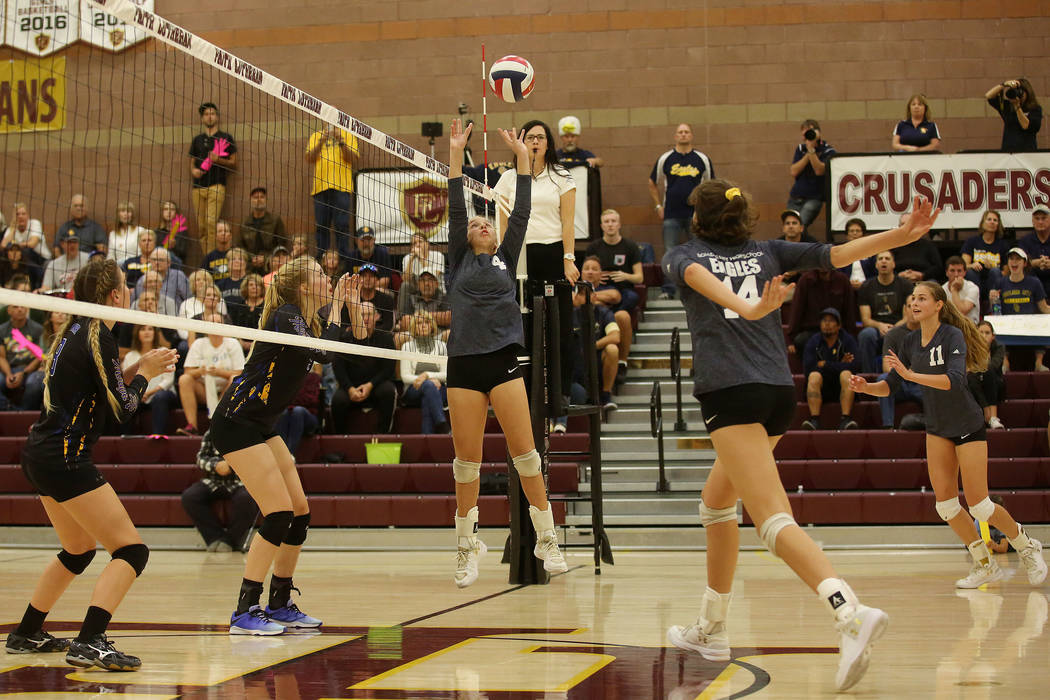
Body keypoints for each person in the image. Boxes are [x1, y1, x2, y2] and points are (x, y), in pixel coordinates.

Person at [662, 180, 943, 692]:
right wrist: (899, 234)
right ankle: (712, 627)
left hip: (731, 392)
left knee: (771, 519)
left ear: (695, 218)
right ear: (744, 215)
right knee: (716, 504)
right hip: (775, 392)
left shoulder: (683, 252)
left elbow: (698, 275)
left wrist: (744, 308)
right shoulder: (768, 251)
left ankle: (848, 611)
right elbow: (834, 253)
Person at [9, 258, 177, 669]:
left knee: (79, 548)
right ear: (115, 295)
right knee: (132, 551)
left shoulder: (77, 327)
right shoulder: (98, 332)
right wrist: (147, 375)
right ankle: (90, 640)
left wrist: (137, 367)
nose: (131, 292)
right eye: (126, 286)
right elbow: (122, 409)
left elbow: (101, 386)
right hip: (65, 457)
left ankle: (27, 631)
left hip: (42, 452)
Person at [850, 281, 1047, 588]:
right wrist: (867, 388)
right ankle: (984, 564)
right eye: (912, 298)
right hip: (938, 427)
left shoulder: (952, 335)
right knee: (946, 506)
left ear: (938, 304)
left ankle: (1026, 545)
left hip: (967, 423)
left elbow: (954, 380)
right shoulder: (908, 341)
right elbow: (891, 384)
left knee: (980, 504)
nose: (914, 303)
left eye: (922, 298)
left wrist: (911, 374)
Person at [446, 119, 568, 587]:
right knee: (466, 463)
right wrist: (457, 151)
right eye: (474, 223)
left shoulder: (505, 253)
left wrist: (521, 156)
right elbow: (458, 203)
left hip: (502, 360)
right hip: (463, 365)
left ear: (496, 238)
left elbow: (517, 212)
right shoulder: (459, 258)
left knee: (527, 455)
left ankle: (546, 536)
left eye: (485, 223)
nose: (479, 224)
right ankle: (465, 544)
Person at [209, 256, 347, 634]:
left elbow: (336, 344)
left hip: (262, 423)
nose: (327, 277)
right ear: (304, 287)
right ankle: (244, 610)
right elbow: (326, 355)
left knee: (299, 512)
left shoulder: (306, 320)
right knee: (279, 512)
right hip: (236, 422)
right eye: (320, 274)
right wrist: (338, 309)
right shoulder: (287, 314)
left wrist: (344, 315)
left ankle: (280, 602)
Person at [495, 119, 579, 402]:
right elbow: (503, 224)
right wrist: (503, 261)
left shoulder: (562, 176)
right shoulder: (507, 179)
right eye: (530, 137)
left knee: (560, 325)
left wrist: (569, 258)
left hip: (553, 253)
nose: (535, 142)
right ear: (521, 142)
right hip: (520, 256)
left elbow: (568, 222)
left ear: (548, 143)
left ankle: (561, 393)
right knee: (523, 324)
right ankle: (524, 393)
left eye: (540, 137)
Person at [648, 123, 715, 299]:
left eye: (686, 132)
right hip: (671, 213)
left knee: (699, 251)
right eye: (680, 132)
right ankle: (668, 290)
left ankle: (701, 289)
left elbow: (711, 186)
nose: (683, 135)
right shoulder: (666, 158)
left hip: (696, 215)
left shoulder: (702, 159)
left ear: (691, 136)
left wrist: (703, 210)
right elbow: (652, 182)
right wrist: (658, 206)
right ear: (675, 136)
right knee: (671, 252)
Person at [181, 430, 259, 552]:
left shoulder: (248, 432)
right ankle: (214, 537)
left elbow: (256, 458)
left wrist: (233, 465)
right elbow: (201, 458)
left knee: (247, 499)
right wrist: (215, 465)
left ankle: (229, 540)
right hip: (212, 480)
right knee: (190, 496)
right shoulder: (210, 433)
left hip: (240, 481)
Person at [330, 299, 396, 434]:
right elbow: (338, 368)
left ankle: (383, 435)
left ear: (376, 317)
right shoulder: (344, 338)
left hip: (376, 386)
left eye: (369, 315)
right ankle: (341, 438)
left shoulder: (386, 338)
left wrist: (370, 385)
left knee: (388, 391)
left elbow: (388, 369)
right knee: (338, 400)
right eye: (361, 315)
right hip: (351, 387)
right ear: (355, 317)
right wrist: (349, 389)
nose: (365, 319)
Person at [177, 314, 245, 436]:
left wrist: (219, 373)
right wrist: (200, 371)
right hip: (205, 392)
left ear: (224, 325)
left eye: (219, 322)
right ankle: (192, 427)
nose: (215, 325)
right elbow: (188, 372)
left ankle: (222, 424)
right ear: (205, 326)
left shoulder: (233, 343)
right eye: (212, 322)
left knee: (235, 379)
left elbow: (240, 374)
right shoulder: (199, 344)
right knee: (184, 379)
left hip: (226, 392)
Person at [189, 102, 238, 258]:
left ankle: (211, 258)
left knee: (211, 223)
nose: (209, 116)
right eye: (206, 114)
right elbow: (192, 162)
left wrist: (218, 160)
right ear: (202, 118)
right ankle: (208, 258)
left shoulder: (226, 137)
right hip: (198, 187)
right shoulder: (197, 140)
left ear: (217, 116)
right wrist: (194, 171)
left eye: (212, 113)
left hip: (217, 185)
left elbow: (233, 162)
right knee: (202, 226)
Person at [990, 247, 1050, 371]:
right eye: (1011, 259)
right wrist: (993, 299)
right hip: (1008, 323)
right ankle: (1005, 362)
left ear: (1025, 263)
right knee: (997, 326)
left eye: (1018, 259)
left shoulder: (1034, 282)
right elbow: (995, 310)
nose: (1014, 262)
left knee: (1043, 321)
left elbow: (1043, 307)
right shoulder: (1000, 282)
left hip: (1029, 324)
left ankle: (1038, 362)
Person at [801, 308, 860, 430]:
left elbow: (855, 366)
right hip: (822, 388)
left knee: (846, 374)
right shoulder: (814, 341)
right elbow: (808, 368)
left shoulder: (847, 340)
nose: (827, 324)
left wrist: (826, 364)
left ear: (839, 326)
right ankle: (814, 420)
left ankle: (846, 419)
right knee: (814, 376)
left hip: (841, 387)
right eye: (824, 321)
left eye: (831, 321)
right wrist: (840, 364)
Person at [857, 250, 913, 373]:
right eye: (880, 258)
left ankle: (904, 377)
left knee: (907, 333)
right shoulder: (866, 287)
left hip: (899, 326)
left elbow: (909, 316)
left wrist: (895, 328)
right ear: (876, 265)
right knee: (866, 335)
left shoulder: (906, 285)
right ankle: (868, 376)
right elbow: (865, 319)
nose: (883, 261)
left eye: (887, 259)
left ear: (893, 264)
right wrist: (879, 325)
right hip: (876, 329)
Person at [307, 125, 358, 258]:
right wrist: (321, 141)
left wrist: (340, 140)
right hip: (320, 188)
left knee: (342, 225)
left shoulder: (347, 135)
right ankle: (321, 258)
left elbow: (352, 158)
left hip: (342, 187)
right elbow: (309, 158)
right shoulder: (316, 136)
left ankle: (343, 258)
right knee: (321, 226)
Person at [876, 295, 924, 429]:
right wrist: (906, 373)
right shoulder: (893, 334)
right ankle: (888, 427)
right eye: (910, 306)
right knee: (884, 379)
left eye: (918, 306)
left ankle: (935, 427)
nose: (914, 309)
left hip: (923, 383)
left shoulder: (932, 333)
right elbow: (886, 366)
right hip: (900, 383)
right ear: (905, 309)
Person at [786, 267, 857, 356]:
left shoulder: (843, 280)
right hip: (811, 330)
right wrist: (790, 339)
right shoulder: (805, 280)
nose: (823, 265)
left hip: (836, 330)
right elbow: (796, 311)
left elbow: (849, 312)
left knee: (847, 341)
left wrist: (851, 336)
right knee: (801, 341)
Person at [399, 311, 449, 435]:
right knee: (428, 386)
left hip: (439, 389)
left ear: (432, 326)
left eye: (426, 322)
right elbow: (405, 377)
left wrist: (427, 375)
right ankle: (442, 424)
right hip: (413, 390)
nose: (423, 325)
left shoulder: (441, 346)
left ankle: (428, 438)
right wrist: (427, 379)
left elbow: (447, 374)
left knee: (428, 397)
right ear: (414, 328)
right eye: (419, 323)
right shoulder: (407, 346)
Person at [122, 325, 176, 436]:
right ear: (137, 334)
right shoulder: (130, 356)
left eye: (150, 329)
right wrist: (139, 393)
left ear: (155, 333)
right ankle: (126, 436)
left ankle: (158, 435)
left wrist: (146, 393)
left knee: (160, 397)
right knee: (126, 399)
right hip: (139, 394)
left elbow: (168, 381)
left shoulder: (163, 352)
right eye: (142, 329)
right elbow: (126, 381)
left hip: (161, 394)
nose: (147, 332)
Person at [787, 119, 836, 232]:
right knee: (790, 227)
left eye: (810, 132)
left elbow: (819, 170)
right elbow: (794, 171)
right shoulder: (800, 149)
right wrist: (809, 152)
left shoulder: (828, 150)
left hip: (814, 198)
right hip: (796, 196)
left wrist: (811, 150)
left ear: (818, 133)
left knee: (799, 227)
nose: (807, 136)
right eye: (805, 133)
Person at [0, 298, 45, 410]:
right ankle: (8, 408)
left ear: (27, 309)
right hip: (7, 368)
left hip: (30, 369)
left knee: (33, 383)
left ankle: (24, 413)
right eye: (15, 307)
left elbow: (39, 356)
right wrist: (9, 374)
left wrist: (23, 373)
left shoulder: (37, 329)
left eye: (23, 306)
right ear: (8, 310)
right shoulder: (1, 330)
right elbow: (1, 357)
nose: (20, 310)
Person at [273, 364, 322, 456]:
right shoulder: (285, 377)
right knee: (283, 413)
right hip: (288, 414)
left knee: (298, 411)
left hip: (309, 417)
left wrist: (291, 401)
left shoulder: (313, 377)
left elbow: (310, 400)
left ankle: (290, 454)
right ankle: (281, 454)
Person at [984, 78, 1042, 152]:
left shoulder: (1035, 109)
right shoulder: (1008, 106)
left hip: (1028, 153)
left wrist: (1017, 107)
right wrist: (1004, 84)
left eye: (1020, 92)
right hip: (1008, 153)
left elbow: (1025, 125)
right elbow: (988, 96)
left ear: (1027, 93)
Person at [238, 187, 287, 274]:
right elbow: (240, 247)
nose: (259, 200)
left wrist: (266, 258)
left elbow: (282, 244)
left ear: (266, 199)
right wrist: (251, 258)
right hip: (250, 265)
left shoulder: (275, 220)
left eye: (262, 197)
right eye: (256, 197)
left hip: (271, 264)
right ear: (251, 200)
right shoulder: (245, 223)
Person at [961, 210, 1008, 299]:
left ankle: (993, 307)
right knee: (970, 272)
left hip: (993, 280)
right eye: (989, 219)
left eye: (995, 220)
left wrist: (993, 267)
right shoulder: (972, 241)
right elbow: (963, 266)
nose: (992, 222)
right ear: (983, 223)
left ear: (998, 225)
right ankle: (974, 305)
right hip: (976, 280)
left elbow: (1006, 272)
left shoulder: (1003, 245)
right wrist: (972, 265)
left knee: (995, 271)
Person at [395, 268, 448, 347]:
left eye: (430, 280)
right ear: (418, 284)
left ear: (437, 283)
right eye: (423, 280)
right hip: (415, 335)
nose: (426, 283)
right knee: (399, 337)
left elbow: (448, 318)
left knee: (449, 334)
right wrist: (435, 318)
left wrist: (418, 317)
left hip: (437, 335)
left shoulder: (444, 298)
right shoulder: (411, 298)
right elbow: (405, 321)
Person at [970, 320, 1007, 430]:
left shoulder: (999, 347)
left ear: (993, 336)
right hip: (976, 384)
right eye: (981, 332)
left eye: (987, 333)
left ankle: (993, 417)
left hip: (995, 384)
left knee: (989, 369)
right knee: (970, 378)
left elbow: (994, 366)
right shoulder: (969, 348)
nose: (983, 336)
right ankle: (987, 413)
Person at [890, 212, 943, 283]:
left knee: (933, 285)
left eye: (909, 224)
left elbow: (938, 267)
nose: (906, 227)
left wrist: (922, 275)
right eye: (903, 224)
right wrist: (899, 275)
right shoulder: (892, 246)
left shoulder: (928, 245)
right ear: (899, 227)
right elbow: (885, 267)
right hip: (898, 282)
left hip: (924, 281)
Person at [836, 218, 876, 290]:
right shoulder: (841, 252)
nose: (855, 233)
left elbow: (876, 274)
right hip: (846, 288)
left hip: (868, 288)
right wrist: (848, 283)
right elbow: (838, 274)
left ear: (863, 234)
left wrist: (864, 284)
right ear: (847, 235)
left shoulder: (871, 252)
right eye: (851, 231)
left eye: (858, 231)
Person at [1019, 205, 1050, 295]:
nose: (1040, 222)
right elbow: (1017, 263)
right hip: (1031, 283)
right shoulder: (1025, 241)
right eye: (1037, 218)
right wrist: (1034, 263)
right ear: (1033, 221)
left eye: (1044, 218)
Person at [943, 256, 981, 325]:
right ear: (946, 273)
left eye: (959, 271)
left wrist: (954, 290)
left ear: (964, 273)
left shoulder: (973, 288)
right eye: (952, 271)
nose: (956, 274)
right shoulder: (942, 290)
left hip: (970, 327)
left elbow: (961, 312)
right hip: (949, 327)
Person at [154, 199, 190, 264]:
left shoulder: (182, 232)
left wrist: (174, 246)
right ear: (162, 212)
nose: (169, 212)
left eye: (172, 209)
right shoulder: (157, 232)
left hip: (175, 264)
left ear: (176, 213)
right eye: (166, 209)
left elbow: (183, 253)